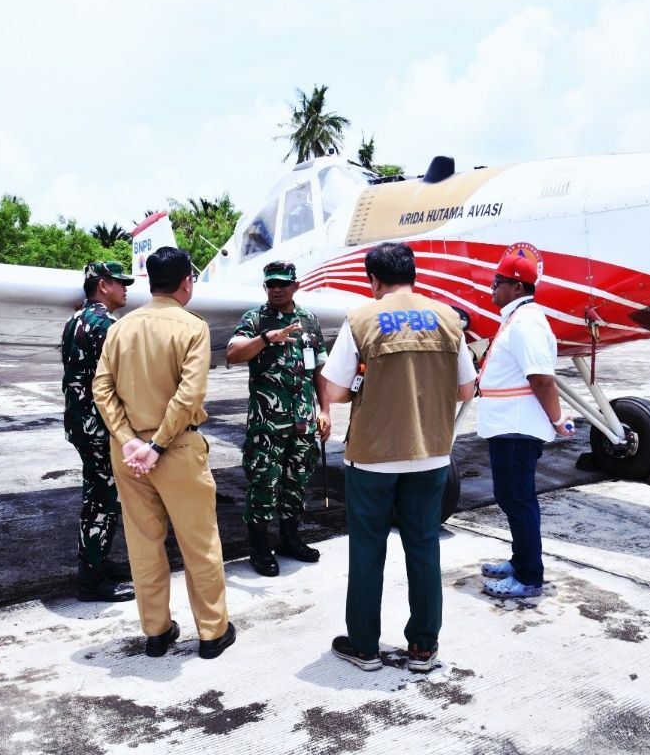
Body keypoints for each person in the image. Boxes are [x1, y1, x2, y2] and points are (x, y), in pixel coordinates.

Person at [321, 242, 477, 674]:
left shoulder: (361, 320)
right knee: (424, 548)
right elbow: (467, 390)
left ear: (373, 280)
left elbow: (332, 391)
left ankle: (365, 647)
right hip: (431, 454)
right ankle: (423, 648)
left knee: (367, 551)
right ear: (414, 274)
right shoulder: (447, 319)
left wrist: (362, 383)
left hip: (372, 456)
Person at [91, 246, 235, 660]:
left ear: (151, 282)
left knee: (143, 543)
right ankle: (211, 633)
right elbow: (189, 395)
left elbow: (102, 389)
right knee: (199, 543)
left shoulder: (120, 326)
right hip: (174, 450)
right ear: (187, 282)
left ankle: (156, 633)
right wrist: (157, 445)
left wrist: (128, 439)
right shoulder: (192, 327)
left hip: (129, 453)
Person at [476, 250, 576, 600]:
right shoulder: (517, 318)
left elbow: (542, 379)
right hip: (507, 426)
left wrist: (558, 418)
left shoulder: (526, 322)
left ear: (516, 286)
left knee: (518, 500)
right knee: (512, 498)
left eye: (498, 283)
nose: (492, 288)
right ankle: (520, 562)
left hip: (517, 428)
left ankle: (529, 577)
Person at [226, 260, 332, 578]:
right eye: (271, 283)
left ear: (295, 286)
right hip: (267, 424)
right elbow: (233, 353)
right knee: (263, 485)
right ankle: (259, 549)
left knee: (295, 483)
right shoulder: (256, 318)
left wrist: (324, 410)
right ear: (265, 287)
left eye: (283, 283)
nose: (277, 288)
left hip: (302, 422)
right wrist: (265, 339)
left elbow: (319, 368)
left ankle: (289, 540)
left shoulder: (308, 321)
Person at [60, 261, 136, 603]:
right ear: (103, 285)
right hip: (100, 425)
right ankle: (91, 581)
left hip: (80, 422)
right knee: (103, 500)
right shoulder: (107, 324)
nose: (125, 289)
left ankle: (97, 563)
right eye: (120, 283)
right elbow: (122, 380)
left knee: (98, 494)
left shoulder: (74, 320)